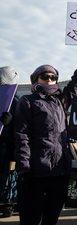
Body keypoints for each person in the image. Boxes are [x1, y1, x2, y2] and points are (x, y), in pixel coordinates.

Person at [14, 42, 77, 225]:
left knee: (51, 219)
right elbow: (22, 137)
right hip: (35, 172)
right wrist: (24, 170)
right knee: (30, 219)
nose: (49, 79)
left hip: (59, 170)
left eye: (53, 76)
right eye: (45, 76)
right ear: (36, 79)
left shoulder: (61, 100)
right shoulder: (28, 101)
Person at [0, 66, 19, 217]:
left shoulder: (16, 101)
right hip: (6, 146)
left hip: (8, 146)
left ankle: (7, 203)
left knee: (8, 175)